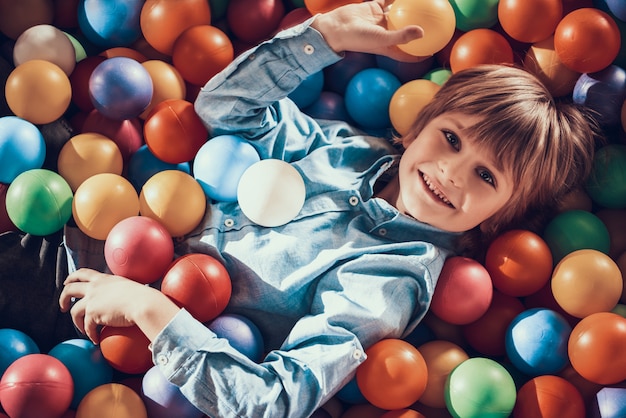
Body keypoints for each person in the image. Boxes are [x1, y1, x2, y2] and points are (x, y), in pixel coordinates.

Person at [51, 1, 599, 417]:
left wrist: (149, 309)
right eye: (452, 139)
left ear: (500, 217)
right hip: (74, 242)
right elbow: (222, 108)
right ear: (417, 128)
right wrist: (322, 38)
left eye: (486, 176)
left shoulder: (390, 278)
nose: (453, 173)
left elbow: (271, 401)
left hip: (142, 369)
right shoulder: (344, 150)